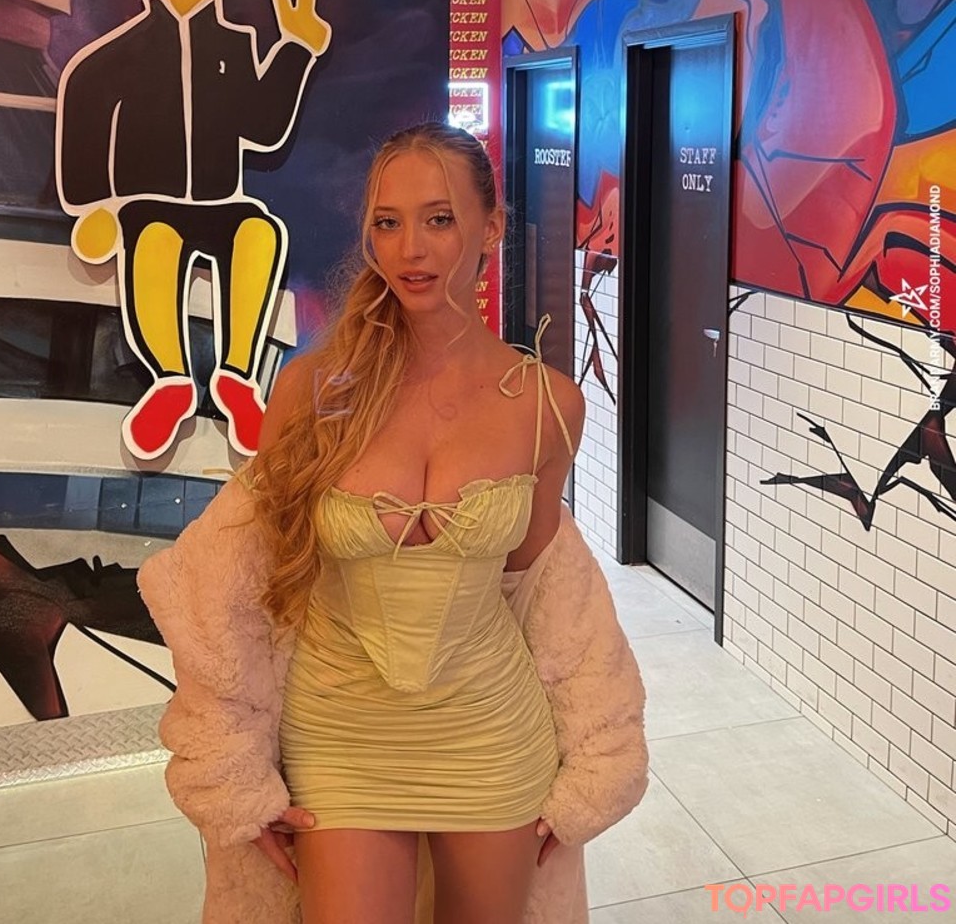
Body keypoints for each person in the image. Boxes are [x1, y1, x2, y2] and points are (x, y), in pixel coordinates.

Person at [138, 122, 648, 924]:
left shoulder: (550, 404)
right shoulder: (311, 391)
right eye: (388, 221)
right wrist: (232, 766)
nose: (411, 248)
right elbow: (238, 587)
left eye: (439, 219)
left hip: (491, 732)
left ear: (491, 226)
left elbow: (545, 600)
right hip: (337, 729)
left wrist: (595, 759)